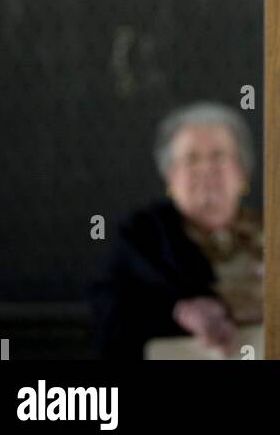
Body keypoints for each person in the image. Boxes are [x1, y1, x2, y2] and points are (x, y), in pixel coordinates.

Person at [91, 102, 263, 360]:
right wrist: (178, 312)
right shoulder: (141, 241)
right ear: (170, 178)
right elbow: (112, 314)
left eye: (218, 156)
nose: (206, 170)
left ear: (242, 172)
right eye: (191, 159)